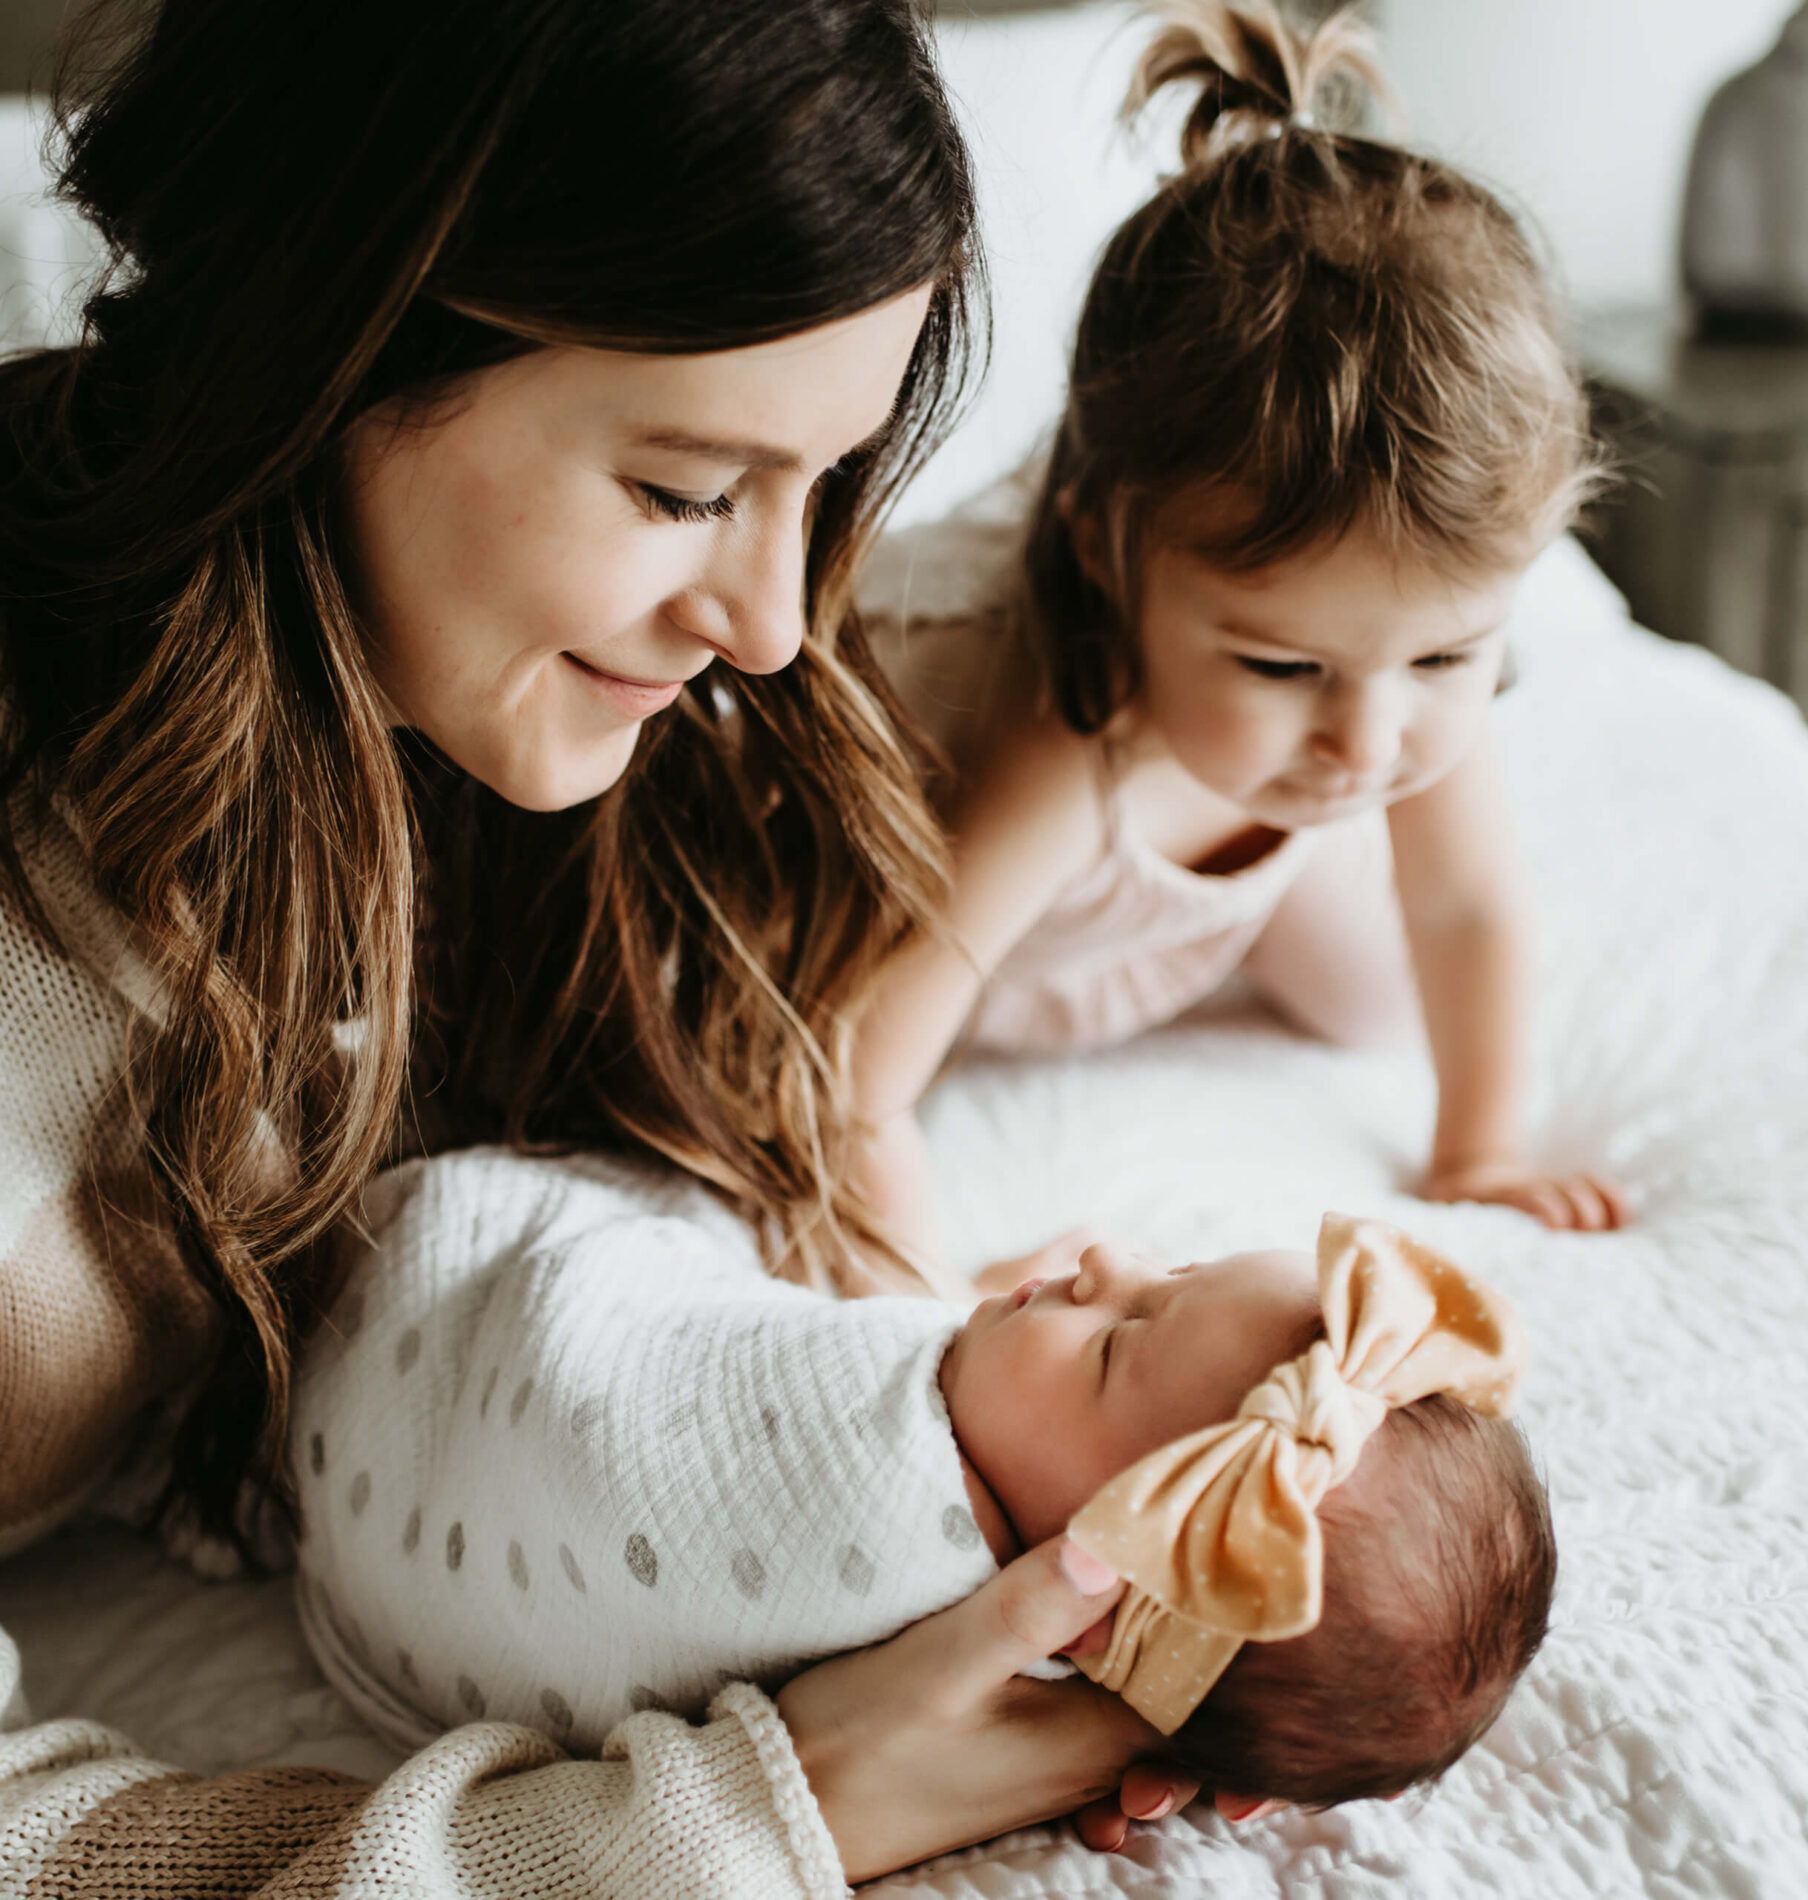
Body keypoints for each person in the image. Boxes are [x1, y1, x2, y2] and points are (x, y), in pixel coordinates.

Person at [0, 0, 1215, 1887]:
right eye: (684, 489)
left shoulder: (475, 718)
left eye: (819, 489)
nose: (768, 626)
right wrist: (760, 1811)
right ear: (332, 343)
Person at [847, 0, 1629, 1268]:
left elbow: (1469, 901)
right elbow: (859, 1075)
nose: (1364, 742)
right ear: (1106, 548)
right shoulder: (1062, 719)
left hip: (1144, 891)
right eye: (1281, 664)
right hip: (958, 920)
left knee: (1377, 994)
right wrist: (922, 1304)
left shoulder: (1384, 664)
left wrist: (1478, 1155)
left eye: (1443, 658)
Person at [294, 1147, 1552, 1812]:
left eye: (1117, 1340)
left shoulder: (884, 1441)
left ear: (1098, 1606)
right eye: (1168, 1272)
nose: (1103, 1256)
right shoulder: (992, 1700)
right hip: (392, 1591)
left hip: (405, 1315)